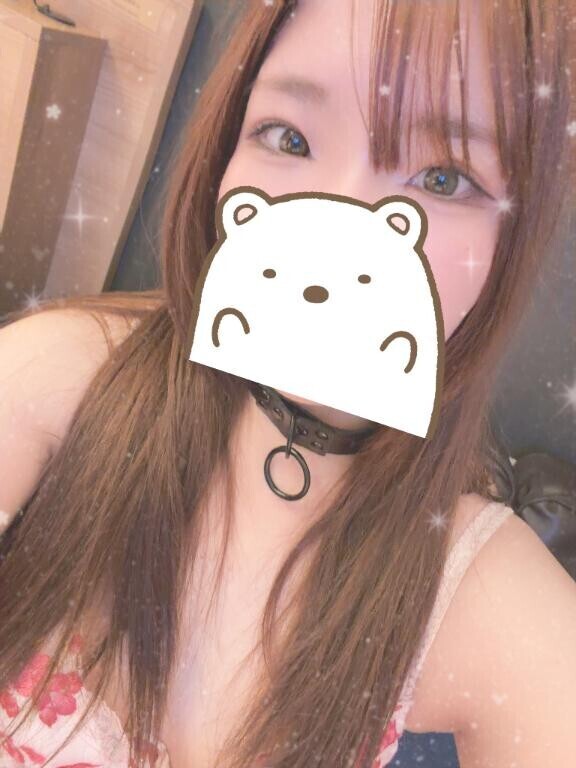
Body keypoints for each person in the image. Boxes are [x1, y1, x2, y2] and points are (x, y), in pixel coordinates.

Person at [1, 0, 575, 766]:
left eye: (443, 178)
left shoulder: (487, 594)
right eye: (289, 138)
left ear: (509, 241)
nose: (336, 224)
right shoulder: (57, 379)